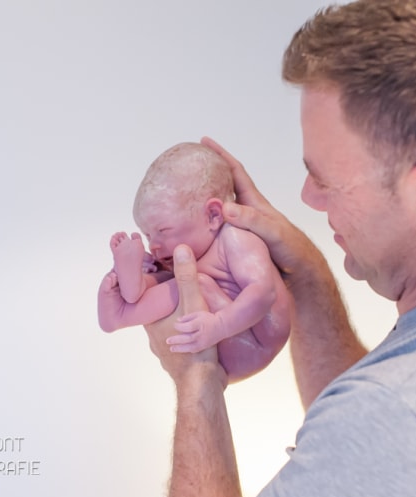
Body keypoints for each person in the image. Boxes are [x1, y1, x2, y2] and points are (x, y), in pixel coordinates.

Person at [143, 0, 416, 497]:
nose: (307, 197)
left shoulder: (396, 420)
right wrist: (305, 273)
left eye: (325, 178)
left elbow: (385, 430)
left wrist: (197, 377)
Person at [98, 141, 291, 382]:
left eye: (163, 230)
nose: (154, 244)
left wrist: (219, 325)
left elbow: (263, 294)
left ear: (213, 215)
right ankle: (131, 284)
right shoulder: (199, 247)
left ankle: (123, 313)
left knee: (191, 282)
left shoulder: (236, 239)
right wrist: (151, 268)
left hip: (255, 341)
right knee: (174, 275)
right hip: (222, 334)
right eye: (147, 235)